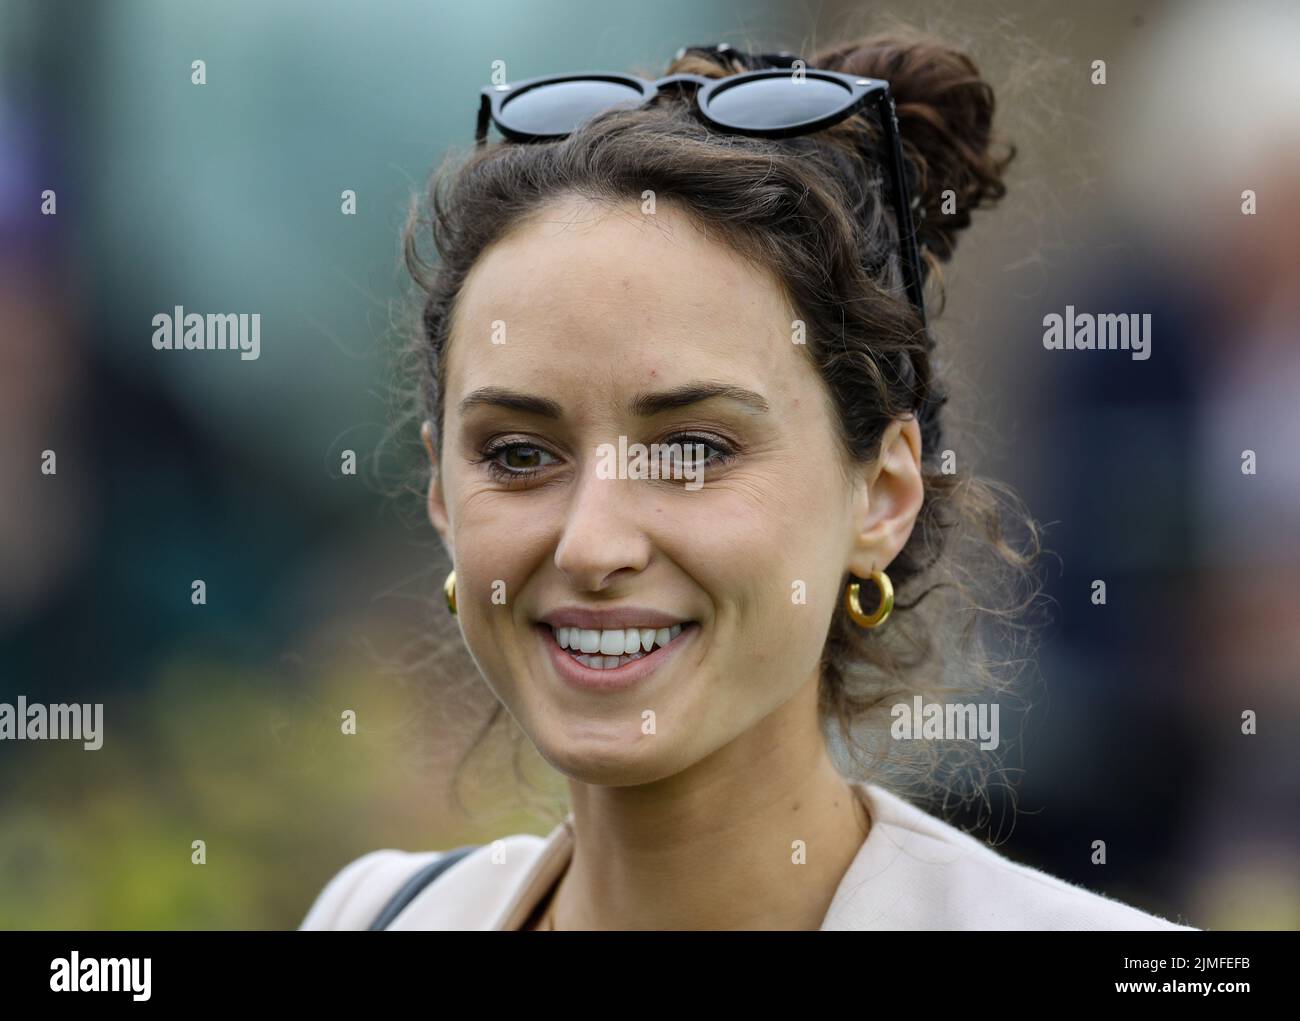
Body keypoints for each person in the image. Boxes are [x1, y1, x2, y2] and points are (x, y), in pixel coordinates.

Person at [300, 31, 1197, 931]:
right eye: (519, 454)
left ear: (882, 496)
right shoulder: (376, 916)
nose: (592, 545)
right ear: (444, 495)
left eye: (692, 449)